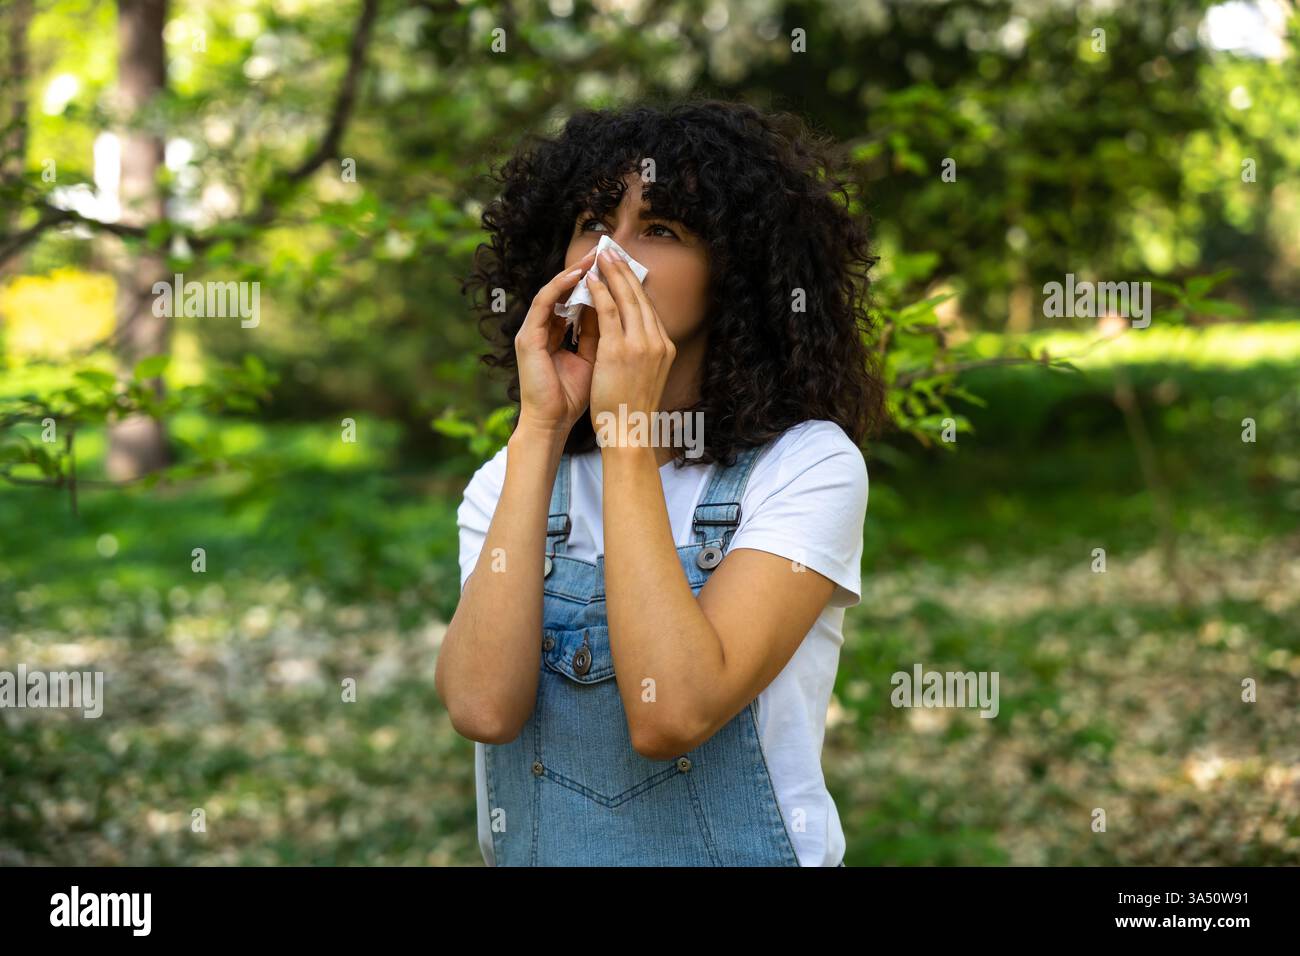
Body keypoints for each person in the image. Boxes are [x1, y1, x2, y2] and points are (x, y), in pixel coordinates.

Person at [437, 96, 886, 866]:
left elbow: (672, 714)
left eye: (662, 230)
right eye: (593, 223)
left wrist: (626, 438)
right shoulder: (509, 480)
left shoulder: (808, 468)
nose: (611, 257)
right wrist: (542, 428)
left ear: (734, 276)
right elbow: (482, 707)